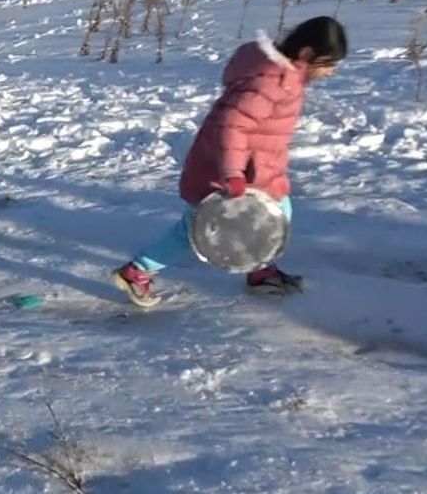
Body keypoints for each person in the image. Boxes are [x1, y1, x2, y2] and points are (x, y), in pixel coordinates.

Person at [111, 17, 348, 308]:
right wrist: (232, 172)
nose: (330, 72)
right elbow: (232, 127)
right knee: (196, 229)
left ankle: (260, 270)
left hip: (258, 170)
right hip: (228, 169)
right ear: (307, 54)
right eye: (328, 64)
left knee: (276, 213)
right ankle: (137, 271)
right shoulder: (270, 82)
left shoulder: (284, 78)